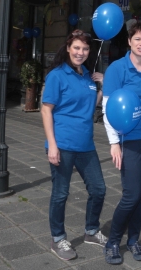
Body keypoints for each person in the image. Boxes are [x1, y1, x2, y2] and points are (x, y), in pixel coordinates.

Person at [41, 29, 108, 261]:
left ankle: (91, 231)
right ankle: (58, 239)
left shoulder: (87, 75)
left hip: (86, 145)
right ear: (68, 48)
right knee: (61, 194)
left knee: (99, 189)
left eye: (85, 49)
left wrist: (102, 87)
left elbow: (89, 106)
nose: (81, 52)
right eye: (77, 48)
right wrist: (52, 144)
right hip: (63, 144)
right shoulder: (57, 75)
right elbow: (46, 109)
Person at [101, 21, 141, 265]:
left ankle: (134, 240)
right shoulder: (117, 69)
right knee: (131, 194)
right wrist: (114, 142)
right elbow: (107, 108)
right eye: (138, 39)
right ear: (129, 41)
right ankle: (113, 241)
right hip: (130, 140)